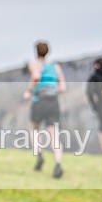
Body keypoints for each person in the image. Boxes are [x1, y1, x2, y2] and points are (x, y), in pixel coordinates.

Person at [23, 40, 66, 178]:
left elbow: (36, 76)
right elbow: (62, 88)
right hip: (53, 102)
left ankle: (39, 153)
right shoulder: (55, 67)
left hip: (40, 100)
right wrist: (52, 89)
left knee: (35, 129)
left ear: (36, 52)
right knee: (54, 134)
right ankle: (58, 163)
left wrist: (29, 90)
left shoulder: (35, 64)